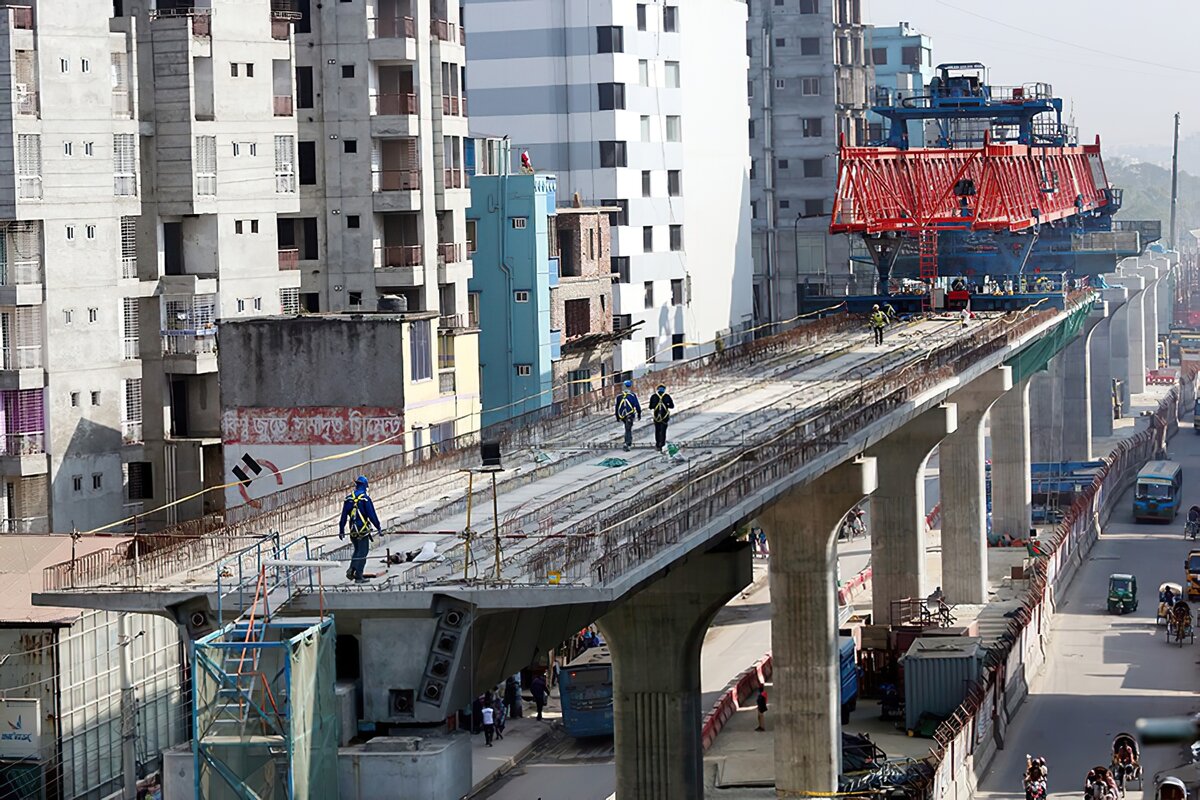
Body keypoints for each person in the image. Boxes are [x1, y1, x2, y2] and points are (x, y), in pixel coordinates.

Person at [339, 476, 382, 583]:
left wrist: (341, 530)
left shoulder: (349, 499)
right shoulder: (365, 499)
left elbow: (343, 516)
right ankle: (358, 576)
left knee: (357, 550)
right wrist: (378, 527)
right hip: (362, 530)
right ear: (365, 486)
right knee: (363, 552)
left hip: (353, 530)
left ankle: (352, 568)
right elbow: (372, 515)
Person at [614, 380, 642, 452]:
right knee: (628, 429)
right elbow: (637, 405)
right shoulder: (632, 396)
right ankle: (627, 443)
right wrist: (639, 413)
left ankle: (627, 442)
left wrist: (617, 416)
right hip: (630, 414)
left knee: (627, 428)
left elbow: (617, 407)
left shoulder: (619, 396)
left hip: (622, 415)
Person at [648, 384, 675, 451]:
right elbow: (672, 406)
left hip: (656, 416)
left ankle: (658, 444)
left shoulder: (654, 396)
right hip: (664, 417)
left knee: (657, 430)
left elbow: (650, 406)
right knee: (663, 431)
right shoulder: (667, 396)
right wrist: (667, 404)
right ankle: (662, 444)